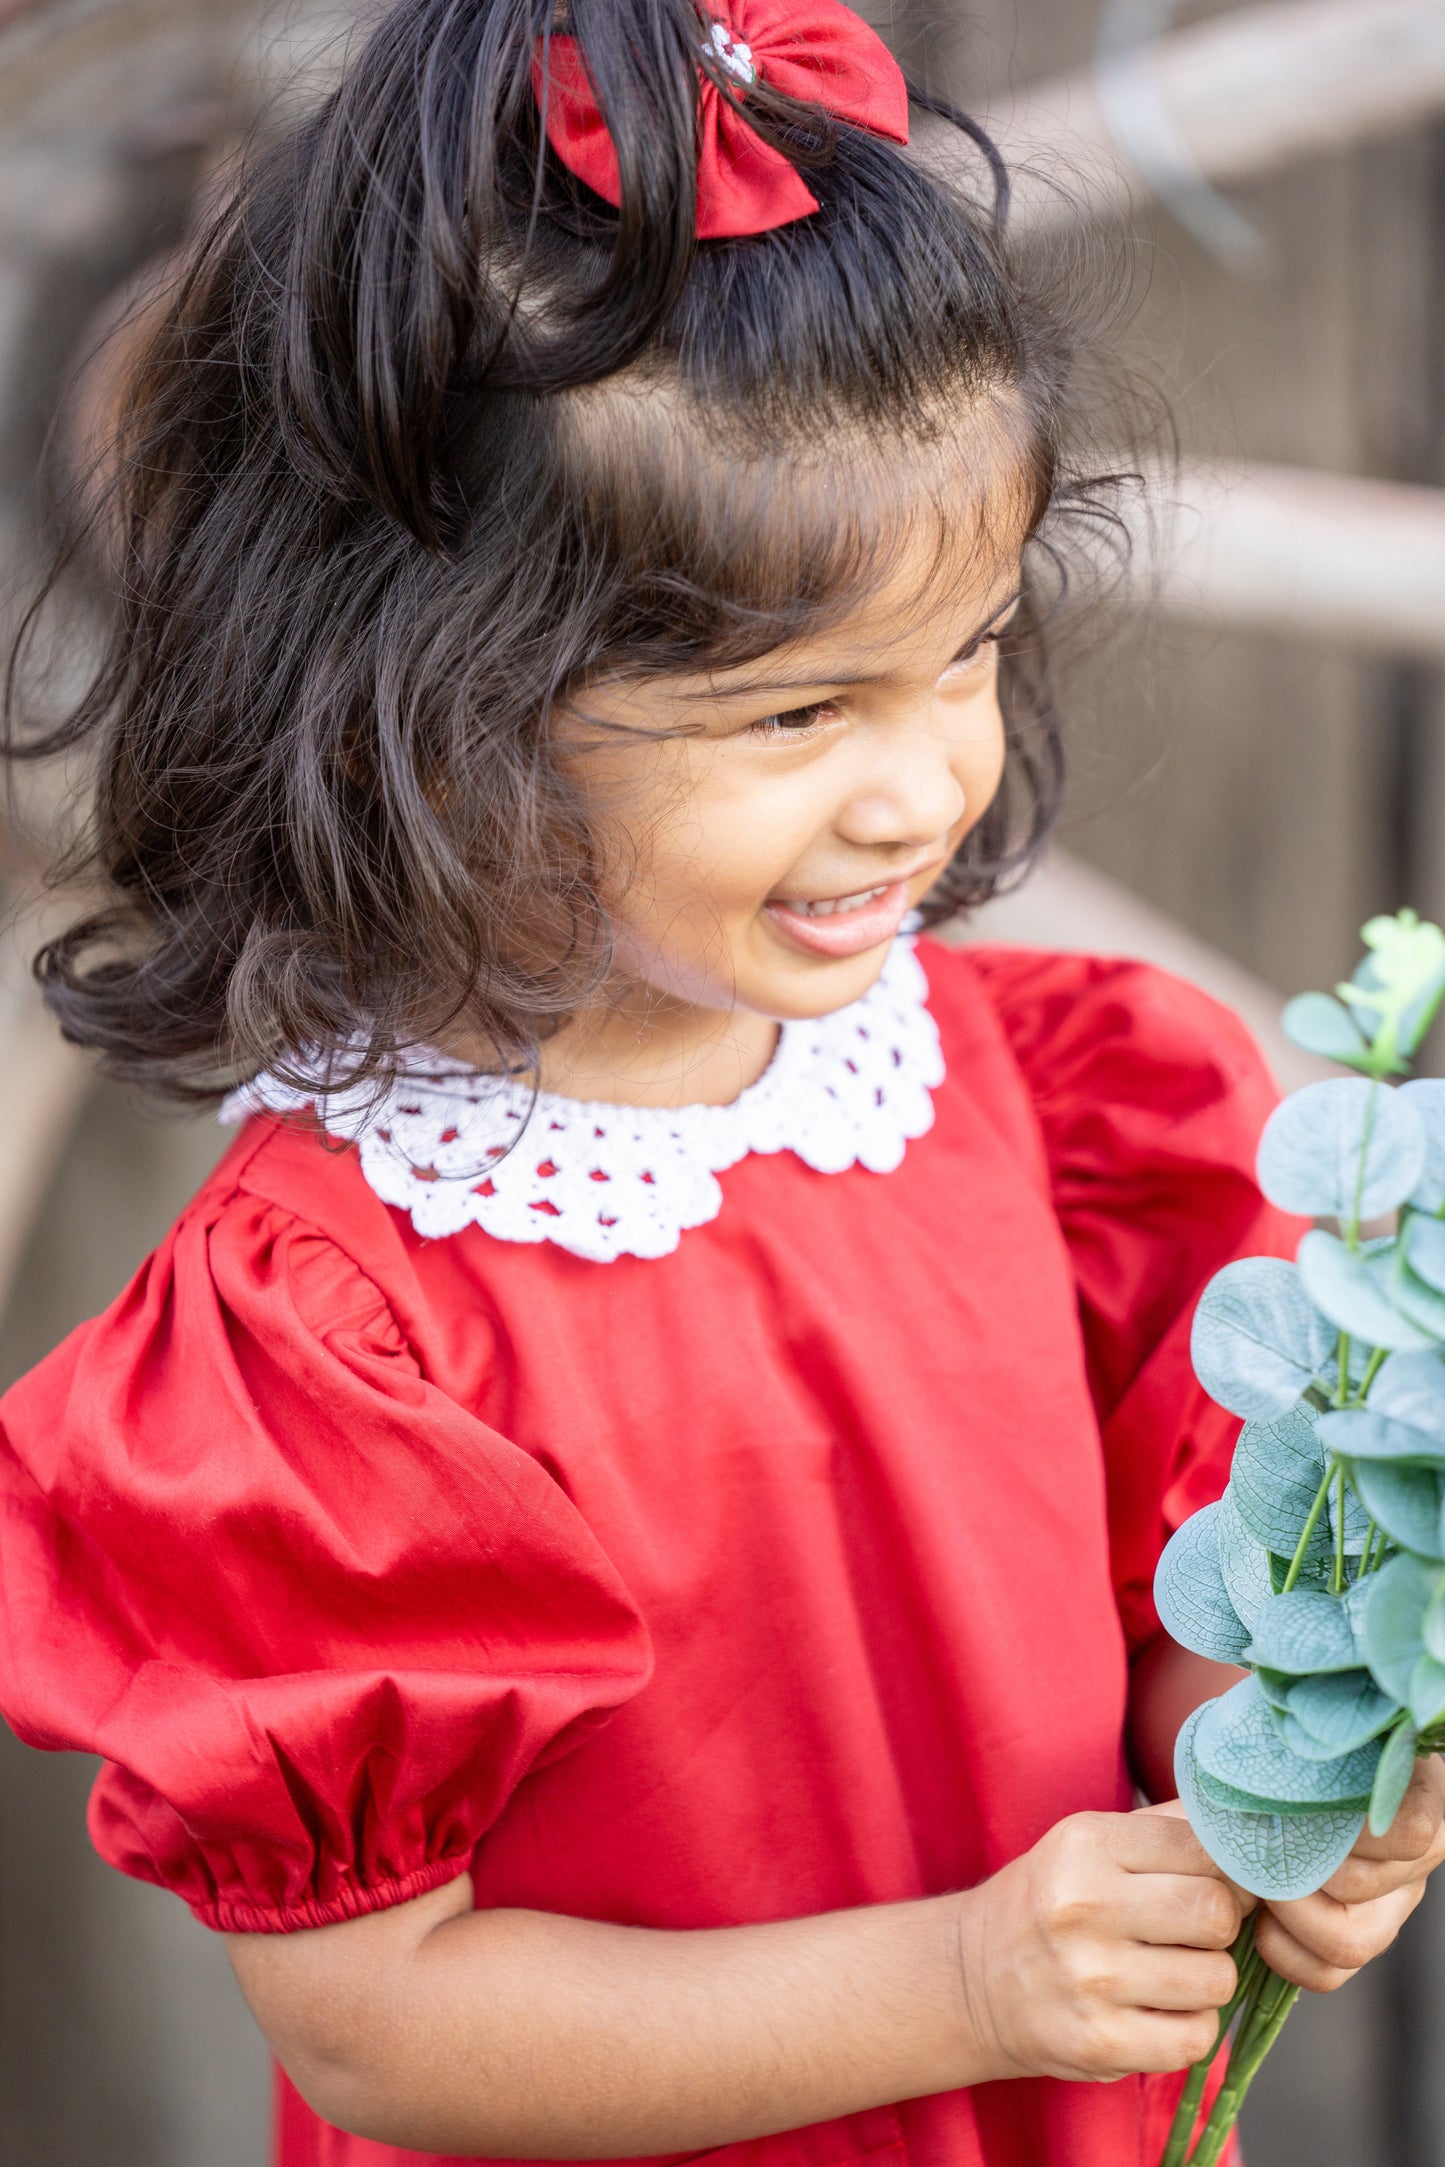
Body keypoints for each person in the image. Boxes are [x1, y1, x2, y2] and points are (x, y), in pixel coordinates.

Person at [2, 2, 1442, 2162]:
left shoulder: (1042, 1103)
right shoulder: (332, 1336)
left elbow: (1168, 1597)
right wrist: (959, 1978)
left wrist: (1277, 1775)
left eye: (963, 655)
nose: (921, 788)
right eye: (796, 717)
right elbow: (386, 2025)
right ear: (432, 710)